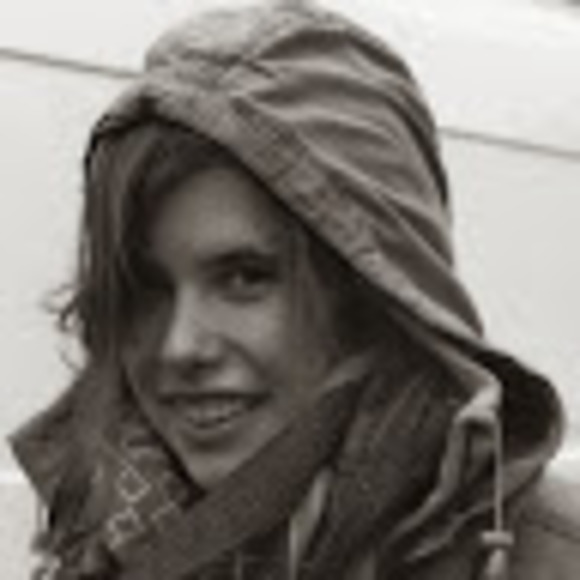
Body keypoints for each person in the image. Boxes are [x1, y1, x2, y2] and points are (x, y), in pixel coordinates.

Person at [10, 1, 580, 579]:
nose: (180, 347)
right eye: (147, 287)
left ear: (370, 294)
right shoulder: (100, 542)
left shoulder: (545, 556)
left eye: (244, 278)